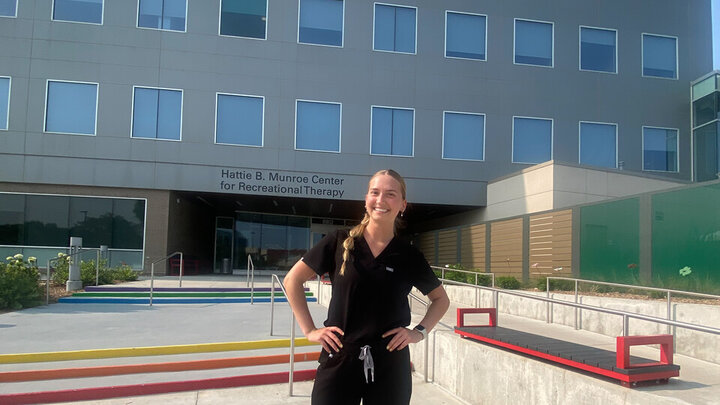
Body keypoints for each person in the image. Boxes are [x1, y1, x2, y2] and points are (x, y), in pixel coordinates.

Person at [284, 169, 450, 405]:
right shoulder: (339, 242)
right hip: (340, 357)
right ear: (366, 199)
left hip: (390, 364)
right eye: (375, 192)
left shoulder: (409, 255)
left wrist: (419, 332)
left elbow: (441, 299)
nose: (381, 200)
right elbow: (292, 280)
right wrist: (310, 331)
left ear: (403, 204)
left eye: (390, 194)